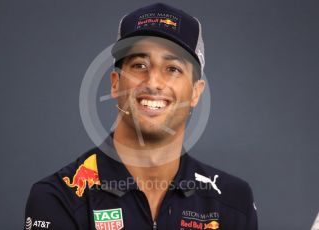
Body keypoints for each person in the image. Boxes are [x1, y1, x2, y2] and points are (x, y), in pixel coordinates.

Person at [24, 3, 258, 230]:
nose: (153, 82)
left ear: (196, 93)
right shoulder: (59, 197)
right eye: (139, 65)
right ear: (115, 85)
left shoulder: (232, 202)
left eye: (173, 69)